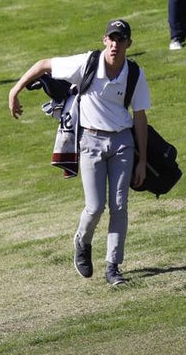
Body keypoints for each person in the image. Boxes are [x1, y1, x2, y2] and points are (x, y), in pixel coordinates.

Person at [8, 19, 151, 286]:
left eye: (121, 40)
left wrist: (142, 160)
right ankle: (82, 241)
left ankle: (113, 267)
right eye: (112, 38)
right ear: (104, 40)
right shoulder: (87, 63)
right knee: (96, 207)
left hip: (122, 143)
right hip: (90, 142)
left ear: (129, 44)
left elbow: (140, 117)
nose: (116, 45)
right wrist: (15, 90)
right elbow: (43, 65)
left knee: (119, 206)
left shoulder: (134, 73)